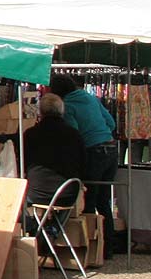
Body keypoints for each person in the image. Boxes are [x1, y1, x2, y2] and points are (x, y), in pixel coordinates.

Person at [49, 74, 117, 221]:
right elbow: (111, 123)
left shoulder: (67, 106)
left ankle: (91, 242)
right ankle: (108, 241)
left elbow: (74, 136)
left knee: (89, 200)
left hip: (93, 152)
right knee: (104, 202)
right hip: (111, 149)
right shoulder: (92, 98)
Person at [24, 93, 86, 207]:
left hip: (36, 193)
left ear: (41, 112)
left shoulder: (30, 134)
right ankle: (55, 224)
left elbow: (25, 163)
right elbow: (83, 164)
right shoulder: (74, 134)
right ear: (62, 111)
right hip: (67, 193)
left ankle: (38, 224)